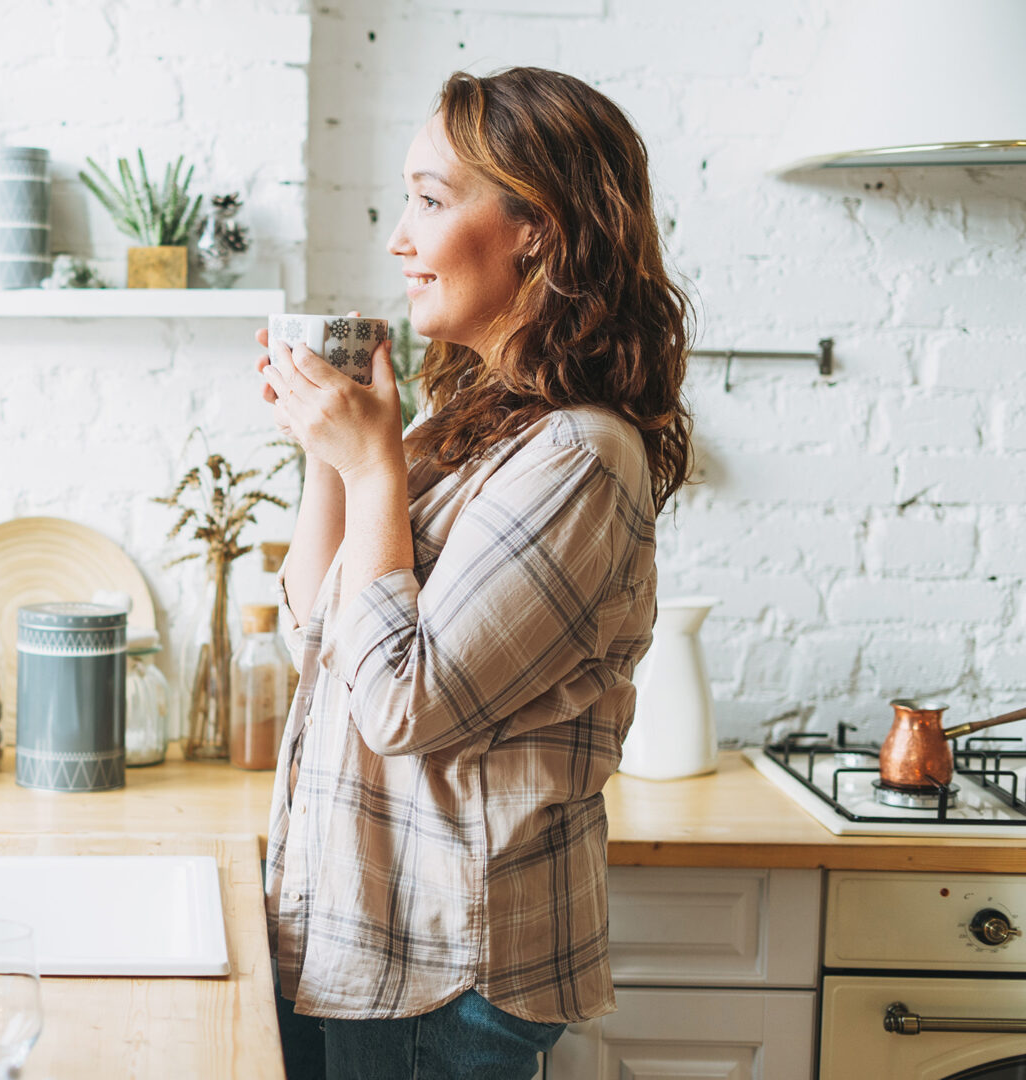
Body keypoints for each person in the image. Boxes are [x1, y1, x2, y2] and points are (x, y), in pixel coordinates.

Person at [255, 66, 693, 1079]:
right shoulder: (466, 430)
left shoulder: (579, 456)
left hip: (444, 966)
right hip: (360, 937)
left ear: (537, 225)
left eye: (432, 199)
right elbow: (320, 642)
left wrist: (371, 465)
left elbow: (405, 705)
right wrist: (328, 448)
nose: (400, 237)